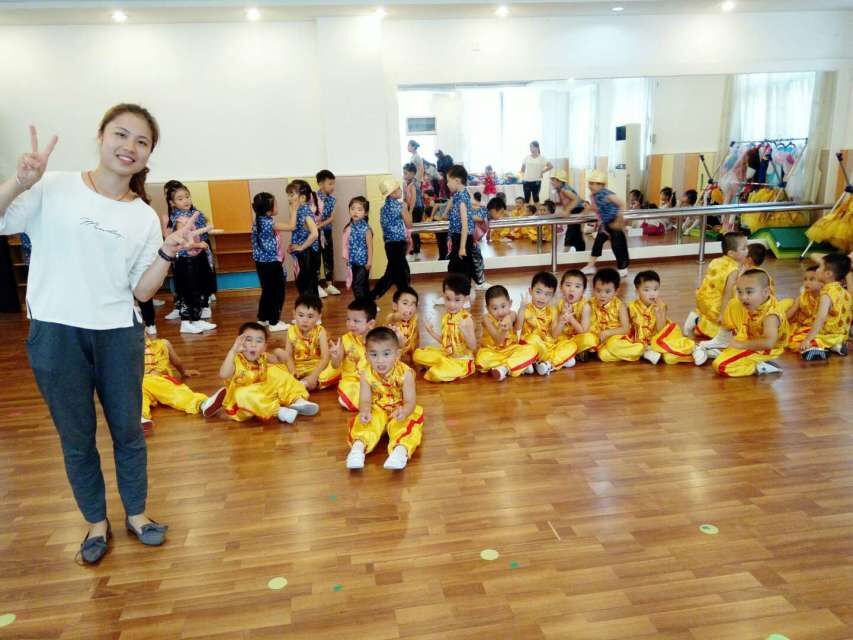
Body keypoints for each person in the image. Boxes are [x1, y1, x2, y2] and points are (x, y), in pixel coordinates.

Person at [1, 105, 211, 563]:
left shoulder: (143, 217)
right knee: (77, 438)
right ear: (100, 136)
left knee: (129, 432)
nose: (129, 147)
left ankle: (137, 514)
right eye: (121, 134)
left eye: (142, 141)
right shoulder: (52, 186)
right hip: (55, 334)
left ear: (148, 154)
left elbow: (142, 291)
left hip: (118, 334)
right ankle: (96, 523)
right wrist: (20, 181)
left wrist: (167, 250)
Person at [346, 327, 424, 471]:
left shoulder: (405, 374)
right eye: (374, 355)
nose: (380, 360)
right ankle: (358, 449)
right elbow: (365, 400)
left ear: (397, 354)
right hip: (378, 407)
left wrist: (404, 411)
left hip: (400, 408)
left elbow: (410, 401)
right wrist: (365, 411)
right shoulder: (366, 374)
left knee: (406, 426)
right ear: (366, 356)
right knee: (365, 423)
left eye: (386, 354)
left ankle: (400, 451)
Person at [217, 322, 319, 423]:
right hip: (243, 404)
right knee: (242, 394)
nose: (253, 344)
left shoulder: (263, 356)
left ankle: (297, 400)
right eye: (248, 340)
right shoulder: (235, 359)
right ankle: (279, 411)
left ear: (264, 346)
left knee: (277, 372)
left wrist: (281, 355)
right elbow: (223, 374)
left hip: (263, 394)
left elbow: (279, 361)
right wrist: (233, 351)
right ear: (240, 342)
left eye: (259, 341)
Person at [141, 335, 227, 432]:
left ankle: (203, 404)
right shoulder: (128, 349)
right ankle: (140, 418)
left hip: (160, 381)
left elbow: (176, 361)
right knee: (138, 397)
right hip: (139, 383)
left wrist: (183, 372)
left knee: (176, 393)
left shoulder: (162, 344)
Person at [711, 269, 789, 377]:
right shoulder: (752, 302)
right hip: (749, 337)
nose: (743, 297)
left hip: (764, 349)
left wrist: (741, 345)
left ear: (766, 292)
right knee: (734, 303)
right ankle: (722, 339)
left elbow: (769, 343)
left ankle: (761, 366)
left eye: (749, 292)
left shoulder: (771, 315)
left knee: (720, 366)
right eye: (739, 291)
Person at [166, 180, 217, 334]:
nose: (186, 200)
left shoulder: (190, 214)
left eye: (187, 197)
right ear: (172, 203)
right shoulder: (180, 219)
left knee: (197, 290)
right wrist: (200, 244)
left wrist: (206, 230)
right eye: (180, 198)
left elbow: (195, 232)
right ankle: (185, 323)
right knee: (188, 291)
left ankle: (196, 319)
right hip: (185, 259)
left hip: (193, 258)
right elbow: (184, 244)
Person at [628, 270, 707, 366]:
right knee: (669, 358)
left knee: (666, 343)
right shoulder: (631, 307)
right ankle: (691, 352)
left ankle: (695, 348)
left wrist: (659, 314)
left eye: (656, 289)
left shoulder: (661, 306)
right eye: (646, 290)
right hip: (646, 343)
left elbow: (661, 330)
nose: (652, 294)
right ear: (637, 292)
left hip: (661, 337)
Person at [683, 231, 749, 339]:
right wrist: (722, 314)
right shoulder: (733, 270)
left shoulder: (717, 261)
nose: (747, 251)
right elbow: (727, 293)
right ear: (731, 253)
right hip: (716, 304)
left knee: (707, 315)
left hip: (703, 297)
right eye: (744, 248)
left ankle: (694, 318)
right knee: (723, 331)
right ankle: (696, 321)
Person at [413, 273, 477, 382]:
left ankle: (439, 367)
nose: (452, 304)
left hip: (461, 361)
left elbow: (473, 347)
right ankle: (441, 365)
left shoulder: (466, 319)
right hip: (446, 354)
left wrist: (465, 332)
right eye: (448, 299)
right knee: (417, 354)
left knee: (434, 374)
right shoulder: (446, 317)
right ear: (443, 296)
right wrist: (431, 332)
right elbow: (445, 342)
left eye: (457, 300)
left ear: (465, 299)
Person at [319, 298, 376, 411]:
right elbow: (336, 364)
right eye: (348, 319)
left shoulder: (378, 340)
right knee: (325, 379)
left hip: (370, 376)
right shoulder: (345, 339)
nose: (351, 324)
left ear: (371, 324)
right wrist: (335, 357)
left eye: (356, 321)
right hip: (351, 377)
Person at [517, 271, 575, 375]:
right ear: (530, 291)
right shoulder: (525, 308)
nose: (542, 297)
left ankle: (545, 363)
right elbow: (517, 329)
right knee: (533, 339)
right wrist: (521, 309)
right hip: (532, 345)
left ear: (552, 296)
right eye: (538, 292)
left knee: (571, 344)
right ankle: (555, 361)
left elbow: (554, 334)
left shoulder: (552, 310)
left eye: (547, 294)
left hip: (548, 345)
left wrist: (561, 322)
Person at [251, 191, 294, 333]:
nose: (277, 206)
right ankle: (274, 322)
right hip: (271, 263)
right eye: (275, 204)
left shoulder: (258, 221)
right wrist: (294, 208)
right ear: (269, 211)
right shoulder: (269, 223)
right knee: (278, 292)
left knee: (267, 291)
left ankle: (263, 318)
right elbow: (292, 226)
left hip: (261, 263)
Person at [476, 285, 537, 380]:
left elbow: (518, 327)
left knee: (532, 349)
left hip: (511, 350)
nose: (500, 312)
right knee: (481, 359)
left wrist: (522, 308)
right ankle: (519, 365)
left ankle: (504, 368)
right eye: (495, 308)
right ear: (487, 308)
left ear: (510, 303)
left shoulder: (511, 314)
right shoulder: (486, 319)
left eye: (503, 306)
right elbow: (498, 341)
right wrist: (504, 330)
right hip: (492, 352)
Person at [799, 253, 852, 360]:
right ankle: (836, 346)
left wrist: (807, 340)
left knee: (798, 337)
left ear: (828, 274)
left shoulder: (826, 294)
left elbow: (820, 318)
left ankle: (819, 348)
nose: (817, 270)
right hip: (842, 334)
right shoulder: (843, 291)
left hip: (828, 334)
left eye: (820, 267)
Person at [369, 177, 412, 301]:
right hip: (398, 244)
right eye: (398, 189)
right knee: (393, 273)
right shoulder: (400, 206)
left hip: (389, 244)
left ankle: (404, 297)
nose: (401, 190)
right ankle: (372, 296)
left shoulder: (383, 209)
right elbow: (409, 224)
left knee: (401, 271)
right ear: (392, 193)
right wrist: (406, 208)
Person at [581, 170, 630, 277]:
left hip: (614, 223)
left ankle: (623, 268)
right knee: (597, 244)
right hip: (605, 224)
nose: (592, 186)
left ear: (602, 185)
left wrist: (618, 221)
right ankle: (590, 266)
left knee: (618, 246)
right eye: (590, 183)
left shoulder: (607, 194)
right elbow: (598, 208)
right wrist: (586, 210)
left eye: (595, 183)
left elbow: (622, 204)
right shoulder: (594, 195)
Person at [590, 268, 644, 363]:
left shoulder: (620, 306)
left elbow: (625, 329)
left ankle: (642, 350)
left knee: (612, 345)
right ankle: (630, 353)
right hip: (601, 340)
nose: (602, 295)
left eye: (607, 292)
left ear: (616, 291)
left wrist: (607, 333)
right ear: (593, 289)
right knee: (602, 355)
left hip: (616, 336)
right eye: (598, 291)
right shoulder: (590, 304)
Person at [280, 294, 330, 391]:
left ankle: (306, 383)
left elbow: (325, 357)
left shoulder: (320, 331)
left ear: (319, 317)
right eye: (301, 315)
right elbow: (288, 355)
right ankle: (304, 383)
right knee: (275, 367)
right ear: (294, 314)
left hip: (316, 368)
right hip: (298, 367)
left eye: (310, 316)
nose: (305, 320)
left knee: (336, 368)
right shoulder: (291, 330)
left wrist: (314, 376)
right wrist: (293, 371)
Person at [551, 269, 598, 362]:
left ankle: (571, 354)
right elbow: (554, 334)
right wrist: (561, 321)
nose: (572, 289)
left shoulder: (585, 306)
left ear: (583, 291)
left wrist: (571, 318)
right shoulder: (557, 305)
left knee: (589, 339)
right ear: (561, 287)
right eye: (568, 285)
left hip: (580, 337)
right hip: (564, 338)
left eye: (577, 286)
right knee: (552, 341)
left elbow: (583, 331)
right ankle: (574, 354)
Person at [286, 179, 320, 297]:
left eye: (292, 195)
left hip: (308, 253)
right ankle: (308, 306)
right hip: (303, 253)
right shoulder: (297, 210)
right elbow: (296, 230)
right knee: (303, 284)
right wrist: (293, 245)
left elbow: (315, 233)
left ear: (302, 198)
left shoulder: (304, 211)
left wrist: (301, 247)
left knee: (307, 285)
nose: (289, 198)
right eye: (288, 195)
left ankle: (310, 306)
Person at [446, 165, 476, 284]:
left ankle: (463, 292)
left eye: (449, 181)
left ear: (457, 181)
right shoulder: (458, 195)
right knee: (457, 268)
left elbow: (465, 226)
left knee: (460, 269)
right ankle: (459, 291)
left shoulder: (462, 199)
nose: (447, 184)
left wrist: (462, 247)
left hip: (462, 238)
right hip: (458, 237)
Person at [315, 169, 341, 297]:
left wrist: (320, 225)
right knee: (315, 259)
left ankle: (329, 284)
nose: (332, 186)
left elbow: (332, 218)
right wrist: (316, 226)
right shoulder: (312, 198)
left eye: (333, 183)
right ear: (320, 184)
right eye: (330, 183)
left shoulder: (333, 200)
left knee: (328, 257)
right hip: (314, 233)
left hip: (326, 231)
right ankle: (317, 285)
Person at [341, 196, 372, 301]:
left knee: (357, 286)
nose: (355, 212)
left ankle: (361, 305)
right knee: (363, 284)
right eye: (353, 208)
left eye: (359, 209)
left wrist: (369, 261)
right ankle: (368, 304)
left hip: (363, 263)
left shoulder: (366, 229)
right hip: (353, 262)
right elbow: (346, 245)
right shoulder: (349, 227)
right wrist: (347, 259)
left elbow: (370, 247)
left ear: (366, 213)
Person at [786, 263, 822, 350]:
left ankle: (817, 347)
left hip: (818, 328)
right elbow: (792, 311)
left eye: (812, 279)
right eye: (805, 279)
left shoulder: (825, 297)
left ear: (822, 282)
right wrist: (779, 322)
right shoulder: (802, 296)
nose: (807, 282)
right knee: (786, 336)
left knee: (797, 340)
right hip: (803, 325)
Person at [551, 170, 585, 252]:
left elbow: (576, 199)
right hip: (574, 209)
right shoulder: (560, 189)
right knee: (576, 231)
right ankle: (580, 249)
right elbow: (565, 202)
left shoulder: (565, 189)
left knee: (571, 230)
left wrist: (567, 210)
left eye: (553, 180)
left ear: (560, 181)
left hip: (577, 209)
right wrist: (565, 210)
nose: (552, 182)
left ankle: (566, 251)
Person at [385, 286, 420, 364]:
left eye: (413, 304)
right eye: (405, 303)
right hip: (394, 357)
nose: (409, 307)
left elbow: (416, 341)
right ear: (395, 306)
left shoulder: (414, 320)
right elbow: (393, 317)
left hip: (410, 356)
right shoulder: (392, 319)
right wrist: (401, 315)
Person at [403, 163, 424, 261]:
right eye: (404, 173)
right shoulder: (407, 183)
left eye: (406, 173)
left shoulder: (413, 184)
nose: (404, 175)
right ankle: (412, 252)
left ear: (412, 174)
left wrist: (410, 212)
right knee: (410, 232)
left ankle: (416, 252)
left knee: (414, 231)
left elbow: (414, 199)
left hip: (416, 209)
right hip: (411, 208)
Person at [470, 191, 491, 290]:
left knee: (476, 259)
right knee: (476, 260)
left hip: (470, 238)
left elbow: (480, 219)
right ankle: (479, 283)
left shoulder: (480, 207)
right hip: (467, 238)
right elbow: (480, 218)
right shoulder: (479, 207)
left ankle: (479, 282)